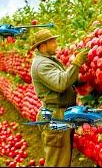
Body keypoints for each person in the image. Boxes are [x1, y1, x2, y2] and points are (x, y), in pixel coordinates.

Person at [30, 28, 88, 167]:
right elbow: (61, 83)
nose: (56, 44)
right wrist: (77, 63)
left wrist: (84, 80)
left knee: (62, 158)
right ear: (43, 45)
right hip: (56, 115)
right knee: (57, 162)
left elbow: (67, 79)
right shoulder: (41, 65)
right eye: (52, 41)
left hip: (61, 113)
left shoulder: (49, 61)